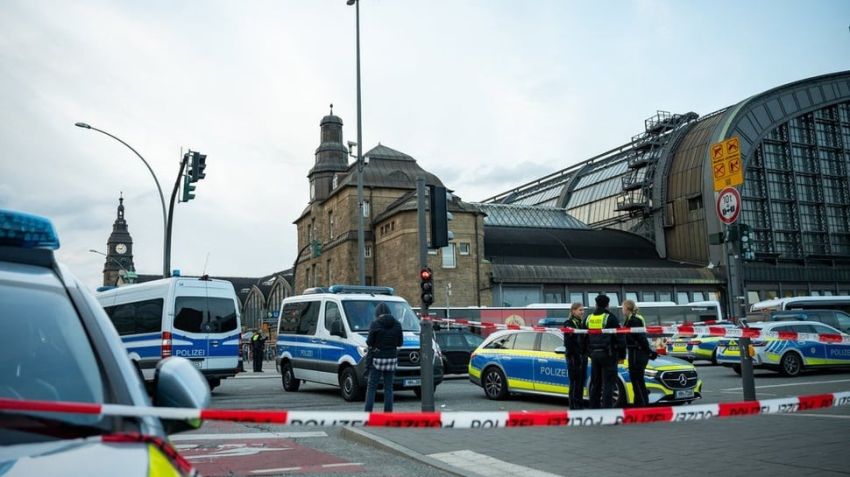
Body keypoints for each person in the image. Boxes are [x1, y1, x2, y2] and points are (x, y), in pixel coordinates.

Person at [584, 294, 626, 409]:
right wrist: (622, 355)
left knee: (595, 383)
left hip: (594, 355)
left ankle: (594, 408)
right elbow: (620, 337)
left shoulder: (588, 318)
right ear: (608, 305)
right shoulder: (610, 318)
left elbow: (583, 337)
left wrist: (588, 352)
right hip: (608, 355)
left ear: (596, 304)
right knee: (608, 383)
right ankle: (607, 410)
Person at [364, 302, 403, 413]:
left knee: (372, 387)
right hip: (391, 359)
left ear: (377, 313)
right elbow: (400, 343)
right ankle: (388, 414)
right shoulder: (397, 324)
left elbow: (369, 342)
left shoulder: (375, 324)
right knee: (388, 388)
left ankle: (368, 413)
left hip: (377, 359)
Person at [622, 299, 657, 407]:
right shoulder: (630, 319)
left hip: (638, 353)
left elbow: (641, 338)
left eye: (623, 307)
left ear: (627, 308)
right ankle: (640, 403)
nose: (622, 309)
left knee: (637, 380)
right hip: (635, 352)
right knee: (637, 380)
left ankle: (642, 405)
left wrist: (649, 352)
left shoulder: (634, 320)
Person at [563, 302, 587, 410]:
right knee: (575, 382)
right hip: (573, 357)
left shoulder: (582, 323)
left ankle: (579, 404)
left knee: (581, 382)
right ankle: (574, 406)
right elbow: (568, 343)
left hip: (583, 356)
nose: (582, 312)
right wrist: (576, 356)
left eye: (583, 310)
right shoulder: (569, 323)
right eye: (580, 310)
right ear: (573, 311)